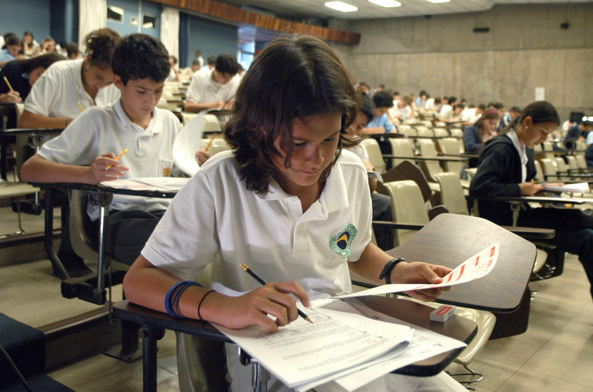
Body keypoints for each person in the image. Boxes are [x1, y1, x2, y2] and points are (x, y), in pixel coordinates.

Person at [122, 35, 463, 392]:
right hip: (268, 353)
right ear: (258, 126)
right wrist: (224, 306)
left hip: (348, 331)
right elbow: (140, 280)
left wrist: (397, 270)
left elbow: (351, 250)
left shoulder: (349, 172)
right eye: (297, 143)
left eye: (329, 140)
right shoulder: (219, 182)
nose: (315, 160)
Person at [21, 33, 181, 274]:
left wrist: (198, 166)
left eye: (158, 91)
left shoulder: (169, 121)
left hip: (163, 215)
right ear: (118, 82)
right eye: (141, 91)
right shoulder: (96, 120)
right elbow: (30, 169)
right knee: (177, 242)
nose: (151, 102)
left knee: (201, 232)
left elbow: (180, 178)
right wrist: (87, 174)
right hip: (115, 220)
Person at [470, 101, 593, 298]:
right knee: (587, 238)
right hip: (506, 220)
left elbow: (525, 184)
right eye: (543, 132)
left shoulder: (525, 148)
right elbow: (479, 187)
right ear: (527, 122)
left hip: (522, 211)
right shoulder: (500, 148)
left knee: (586, 219)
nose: (544, 138)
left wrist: (543, 188)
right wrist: (519, 188)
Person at [19, 28, 121, 129]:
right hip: (59, 144)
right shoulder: (58, 73)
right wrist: (70, 123)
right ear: (89, 59)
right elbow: (26, 121)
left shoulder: (117, 85)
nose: (101, 85)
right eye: (99, 77)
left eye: (109, 82)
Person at [346, 92, 393, 250]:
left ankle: (385, 251)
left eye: (359, 127)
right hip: (341, 197)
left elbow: (371, 189)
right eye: (351, 121)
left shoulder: (358, 148)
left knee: (386, 203)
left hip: (359, 194)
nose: (353, 129)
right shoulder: (327, 143)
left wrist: (369, 169)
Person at [0, 53, 65, 103]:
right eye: (39, 74)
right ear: (36, 64)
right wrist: (3, 98)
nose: (37, 81)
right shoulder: (13, 68)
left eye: (45, 81)